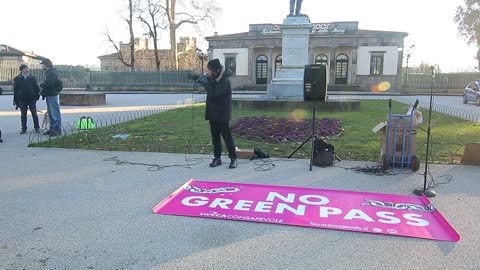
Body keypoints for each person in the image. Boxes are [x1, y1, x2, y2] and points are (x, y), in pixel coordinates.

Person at [198, 58, 237, 169]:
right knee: (215, 138)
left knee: (227, 137)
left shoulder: (225, 81)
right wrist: (198, 79)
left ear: (214, 71)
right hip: (213, 113)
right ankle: (217, 158)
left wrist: (209, 82)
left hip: (222, 114)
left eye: (209, 70)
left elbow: (214, 93)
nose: (207, 72)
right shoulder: (213, 79)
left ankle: (233, 158)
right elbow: (210, 86)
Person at [13, 64, 41, 134]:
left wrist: (37, 96)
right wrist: (15, 100)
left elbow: (36, 88)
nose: (27, 70)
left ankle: (37, 128)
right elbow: (15, 90)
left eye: (27, 68)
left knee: (34, 114)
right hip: (22, 99)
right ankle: (24, 128)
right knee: (23, 115)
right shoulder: (17, 79)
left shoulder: (32, 78)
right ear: (22, 70)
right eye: (25, 69)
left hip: (31, 98)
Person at [39, 58, 62, 136]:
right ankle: (52, 129)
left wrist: (42, 84)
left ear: (46, 64)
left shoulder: (52, 72)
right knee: (50, 114)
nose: (42, 66)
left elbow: (50, 83)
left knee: (55, 113)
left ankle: (57, 130)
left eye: (43, 65)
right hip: (49, 95)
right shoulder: (49, 72)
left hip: (52, 94)